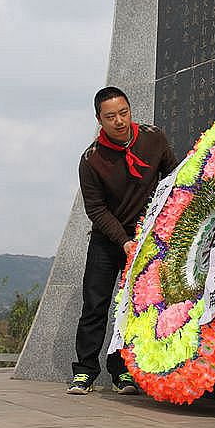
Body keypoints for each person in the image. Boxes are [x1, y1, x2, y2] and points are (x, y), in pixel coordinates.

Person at [68, 86, 177, 395]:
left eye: (123, 113)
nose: (118, 121)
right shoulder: (91, 159)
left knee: (131, 307)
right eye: (110, 117)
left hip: (145, 238)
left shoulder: (153, 137)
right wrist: (122, 241)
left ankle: (122, 371)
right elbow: (96, 209)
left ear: (130, 110)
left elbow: (172, 176)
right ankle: (85, 370)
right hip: (107, 239)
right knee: (95, 305)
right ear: (99, 119)